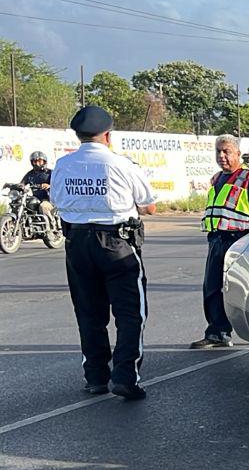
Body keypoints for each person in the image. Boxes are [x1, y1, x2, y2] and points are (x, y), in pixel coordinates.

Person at [52, 105, 158, 400]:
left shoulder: (63, 165)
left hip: (77, 243)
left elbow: (58, 200)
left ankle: (96, 376)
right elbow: (149, 206)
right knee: (129, 313)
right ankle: (126, 376)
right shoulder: (121, 164)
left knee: (88, 312)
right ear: (108, 134)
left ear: (78, 135)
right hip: (116, 243)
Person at [192, 135, 249, 349]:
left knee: (242, 291)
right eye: (218, 151)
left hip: (240, 243)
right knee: (212, 288)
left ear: (237, 153)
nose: (221, 156)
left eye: (226, 151)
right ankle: (217, 332)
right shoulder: (217, 179)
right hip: (217, 240)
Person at [22, 151, 53, 218]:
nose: (37, 164)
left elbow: (60, 185)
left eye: (39, 161)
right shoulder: (30, 174)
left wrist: (49, 186)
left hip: (49, 200)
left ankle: (51, 225)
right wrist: (15, 186)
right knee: (23, 205)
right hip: (35, 199)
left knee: (44, 206)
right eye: (35, 161)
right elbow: (22, 183)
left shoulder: (50, 173)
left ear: (44, 162)